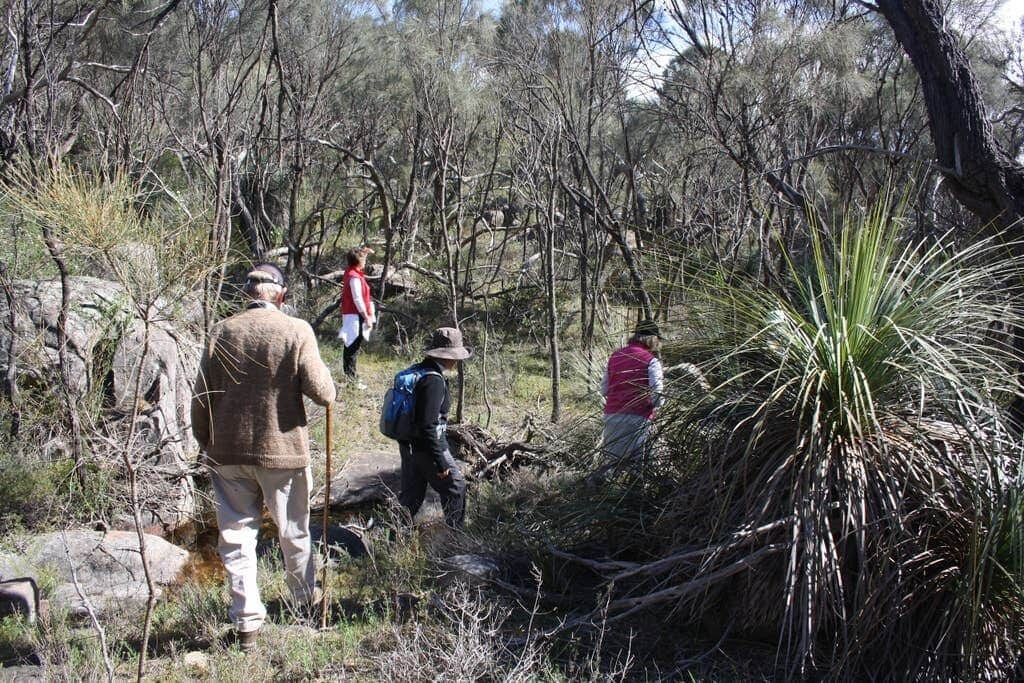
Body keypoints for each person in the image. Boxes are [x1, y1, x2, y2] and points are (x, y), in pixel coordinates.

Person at [191, 263, 336, 651]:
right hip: (282, 452)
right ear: (282, 295)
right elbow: (323, 392)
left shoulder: (221, 331)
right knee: (293, 532)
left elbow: (201, 395)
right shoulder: (296, 330)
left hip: (227, 451)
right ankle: (303, 604)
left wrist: (205, 441)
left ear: (247, 295)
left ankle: (246, 626)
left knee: (236, 539)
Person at [396, 327, 470, 529]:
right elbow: (428, 425)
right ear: (447, 356)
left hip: (410, 446)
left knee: (411, 498)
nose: (457, 361)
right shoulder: (433, 381)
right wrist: (440, 462)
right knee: (456, 489)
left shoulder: (419, 370)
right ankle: (455, 538)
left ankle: (389, 538)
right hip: (428, 448)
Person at [600, 319, 665, 466]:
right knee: (637, 467)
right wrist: (656, 406)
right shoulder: (651, 361)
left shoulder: (615, 356)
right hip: (638, 419)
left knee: (611, 464)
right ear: (652, 339)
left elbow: (604, 389)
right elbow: (658, 396)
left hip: (612, 417)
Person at [338, 247, 376, 384]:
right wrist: (366, 317)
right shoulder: (354, 277)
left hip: (354, 315)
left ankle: (351, 377)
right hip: (355, 316)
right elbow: (358, 299)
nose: (365, 261)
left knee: (352, 346)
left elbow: (356, 255)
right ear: (358, 260)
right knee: (352, 347)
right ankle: (351, 379)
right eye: (364, 259)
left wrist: (365, 251)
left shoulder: (352, 272)